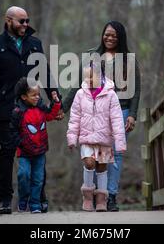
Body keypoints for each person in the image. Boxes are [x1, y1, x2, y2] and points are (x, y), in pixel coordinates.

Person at [0, 6, 63, 215]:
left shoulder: (34, 44)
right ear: (8, 20)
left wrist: (56, 98)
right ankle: (5, 200)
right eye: (21, 21)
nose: (26, 25)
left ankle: (39, 198)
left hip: (34, 111)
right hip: (7, 109)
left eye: (27, 20)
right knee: (7, 152)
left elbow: (45, 73)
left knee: (37, 152)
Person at [63, 21, 141, 211]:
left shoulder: (128, 59)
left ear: (120, 37)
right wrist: (63, 107)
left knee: (115, 155)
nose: (109, 38)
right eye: (107, 34)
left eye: (114, 35)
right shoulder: (93, 55)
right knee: (94, 155)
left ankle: (110, 196)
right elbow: (78, 85)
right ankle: (97, 195)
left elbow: (136, 90)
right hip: (96, 111)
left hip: (120, 111)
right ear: (102, 34)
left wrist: (132, 114)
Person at [66, 65, 126, 212]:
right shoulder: (80, 94)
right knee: (89, 163)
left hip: (104, 139)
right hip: (86, 138)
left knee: (102, 167)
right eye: (87, 77)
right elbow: (74, 118)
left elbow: (117, 120)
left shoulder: (110, 95)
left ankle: (101, 201)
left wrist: (120, 143)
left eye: (92, 77)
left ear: (101, 77)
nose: (89, 80)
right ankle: (87, 197)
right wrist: (72, 138)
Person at [10, 78, 61, 213]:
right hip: (24, 152)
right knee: (23, 175)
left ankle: (35, 204)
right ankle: (23, 198)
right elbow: (12, 131)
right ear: (24, 97)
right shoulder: (18, 112)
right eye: (34, 95)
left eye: (38, 94)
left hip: (40, 152)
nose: (37, 97)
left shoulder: (41, 108)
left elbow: (50, 115)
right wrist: (20, 143)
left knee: (38, 179)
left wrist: (56, 103)